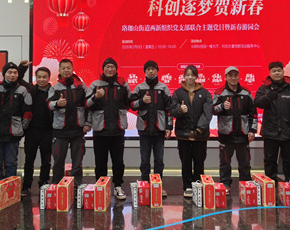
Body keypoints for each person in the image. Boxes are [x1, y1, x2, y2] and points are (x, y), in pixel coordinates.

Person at [85, 58, 131, 200]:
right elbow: (86, 104)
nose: (109, 69)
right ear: (103, 69)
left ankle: (118, 186)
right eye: (107, 67)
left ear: (116, 69)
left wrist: (120, 114)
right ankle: (101, 186)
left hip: (118, 130)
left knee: (118, 162)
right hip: (100, 130)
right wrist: (96, 97)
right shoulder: (95, 85)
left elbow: (129, 103)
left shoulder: (123, 85)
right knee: (100, 162)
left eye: (112, 67)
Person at [255, 61, 290, 183]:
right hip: (270, 131)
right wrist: (268, 97)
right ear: (270, 73)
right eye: (274, 71)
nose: (277, 73)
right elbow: (257, 103)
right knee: (270, 160)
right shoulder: (264, 88)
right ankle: (270, 183)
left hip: (288, 131)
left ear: (283, 72)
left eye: (279, 70)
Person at [130, 60, 173, 197]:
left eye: (153, 69)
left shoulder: (163, 88)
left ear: (157, 71)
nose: (150, 71)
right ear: (145, 71)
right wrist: (142, 101)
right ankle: (144, 185)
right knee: (145, 160)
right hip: (144, 129)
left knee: (159, 160)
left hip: (159, 129)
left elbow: (169, 109)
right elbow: (131, 105)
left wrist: (169, 127)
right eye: (148, 69)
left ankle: (158, 186)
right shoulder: (139, 88)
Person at [213, 66, 257, 195]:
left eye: (235, 75)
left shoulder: (246, 93)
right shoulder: (219, 92)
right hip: (226, 135)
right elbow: (212, 110)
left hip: (243, 135)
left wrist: (252, 130)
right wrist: (222, 106)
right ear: (225, 77)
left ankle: (246, 184)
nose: (233, 78)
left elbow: (253, 114)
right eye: (230, 75)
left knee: (245, 163)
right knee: (225, 163)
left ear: (238, 76)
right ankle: (225, 184)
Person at [47, 59, 90, 190]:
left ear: (72, 69)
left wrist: (87, 123)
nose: (66, 70)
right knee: (58, 161)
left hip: (78, 129)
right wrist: (57, 104)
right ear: (59, 70)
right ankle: (56, 186)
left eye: (68, 68)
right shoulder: (54, 88)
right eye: (63, 68)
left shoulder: (81, 86)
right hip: (60, 130)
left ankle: (77, 186)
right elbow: (48, 104)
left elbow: (88, 106)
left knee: (77, 161)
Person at [172, 65, 213, 198]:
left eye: (192, 75)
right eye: (187, 75)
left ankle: (198, 185)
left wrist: (199, 129)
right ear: (184, 76)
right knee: (185, 162)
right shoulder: (178, 93)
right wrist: (180, 110)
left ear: (196, 77)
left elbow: (207, 113)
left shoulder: (205, 93)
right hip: (183, 135)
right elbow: (172, 111)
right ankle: (187, 186)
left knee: (199, 162)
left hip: (200, 135)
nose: (190, 77)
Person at [17, 61, 53, 197]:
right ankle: (26, 185)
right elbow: (19, 79)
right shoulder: (31, 89)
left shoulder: (53, 92)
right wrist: (23, 67)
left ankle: (43, 183)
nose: (41, 79)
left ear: (49, 78)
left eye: (44, 77)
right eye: (39, 77)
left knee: (46, 160)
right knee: (29, 160)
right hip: (31, 131)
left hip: (48, 131)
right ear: (35, 78)